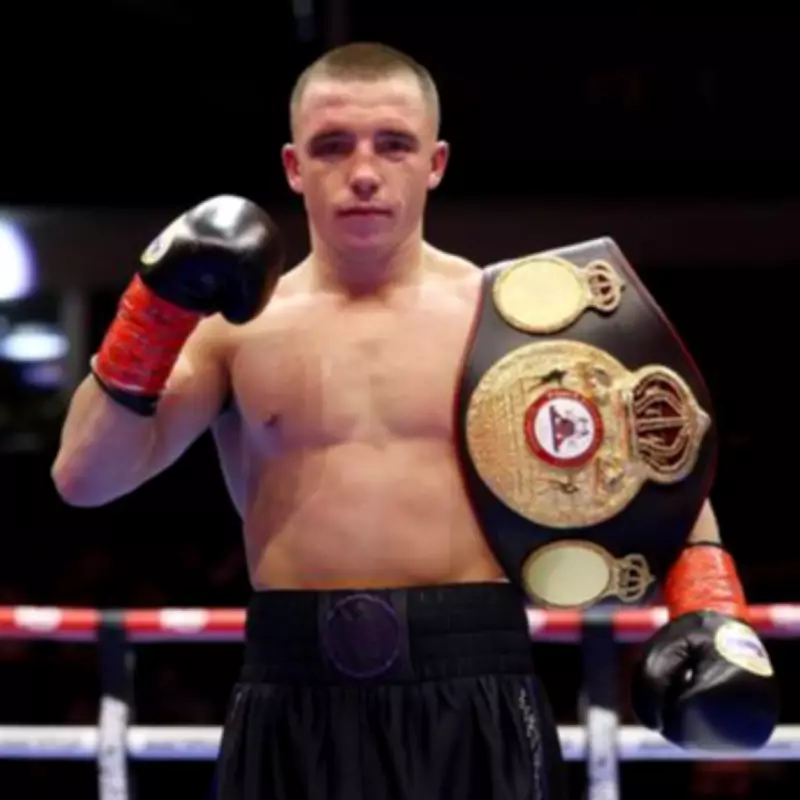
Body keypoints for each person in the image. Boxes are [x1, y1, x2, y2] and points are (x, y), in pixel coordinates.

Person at [51, 42, 777, 800]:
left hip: (476, 684)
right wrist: (154, 309)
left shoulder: (517, 322)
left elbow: (661, 474)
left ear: (435, 162)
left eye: (393, 144)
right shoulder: (236, 331)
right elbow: (83, 477)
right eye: (333, 146)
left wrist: (710, 609)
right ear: (294, 166)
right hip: (291, 687)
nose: (364, 171)